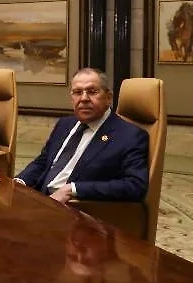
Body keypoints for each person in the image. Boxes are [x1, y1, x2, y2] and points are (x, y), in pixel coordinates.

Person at [15, 68, 148, 203]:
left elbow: (135, 186)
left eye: (92, 92)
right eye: (78, 92)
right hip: (40, 199)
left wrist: (72, 189)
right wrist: (19, 182)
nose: (84, 98)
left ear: (108, 98)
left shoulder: (130, 136)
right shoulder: (65, 124)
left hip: (75, 207)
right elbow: (43, 162)